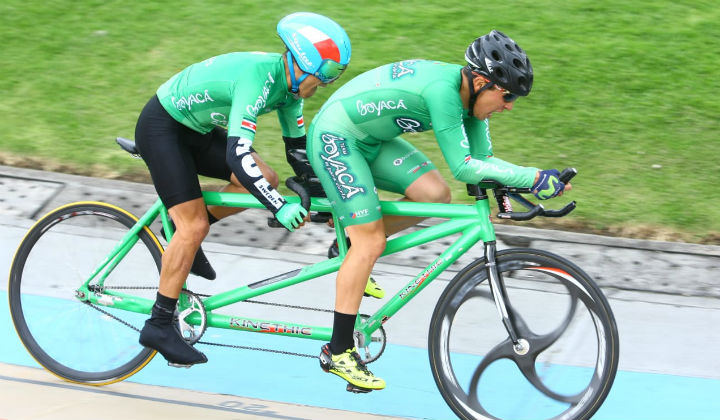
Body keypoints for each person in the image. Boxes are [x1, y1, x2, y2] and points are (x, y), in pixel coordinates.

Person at [307, 30, 571, 391]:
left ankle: (351, 249)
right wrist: (535, 177)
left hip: (369, 139)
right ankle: (338, 351)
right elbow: (464, 166)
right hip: (336, 137)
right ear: (481, 81)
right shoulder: (444, 93)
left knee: (434, 193)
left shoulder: (473, 100)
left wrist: (521, 184)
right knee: (369, 243)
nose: (509, 105)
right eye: (506, 95)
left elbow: (483, 161)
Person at [134, 12, 351, 367]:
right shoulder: (259, 80)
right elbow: (238, 154)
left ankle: (178, 235)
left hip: (196, 131)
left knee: (267, 177)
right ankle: (158, 325)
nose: (324, 85)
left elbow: (296, 152)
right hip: (163, 128)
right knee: (195, 226)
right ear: (301, 64)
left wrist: (327, 196)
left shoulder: (290, 90)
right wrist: (278, 206)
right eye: (324, 76)